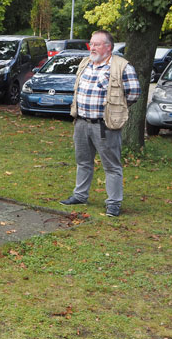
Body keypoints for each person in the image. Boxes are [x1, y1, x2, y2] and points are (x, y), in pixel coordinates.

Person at [59, 30, 140, 217]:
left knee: (111, 166)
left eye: (96, 44)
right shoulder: (86, 63)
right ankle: (80, 195)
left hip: (105, 125)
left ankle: (113, 203)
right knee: (83, 162)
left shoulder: (122, 66)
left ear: (108, 47)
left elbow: (134, 93)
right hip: (81, 122)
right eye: (91, 43)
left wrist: (116, 108)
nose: (92, 47)